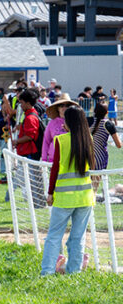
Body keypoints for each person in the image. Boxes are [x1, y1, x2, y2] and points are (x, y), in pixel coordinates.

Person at [42, 107, 95, 275]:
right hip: (85, 197)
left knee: (54, 236)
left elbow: (55, 168)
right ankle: (74, 271)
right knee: (78, 237)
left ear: (69, 122)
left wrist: (50, 192)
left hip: (65, 197)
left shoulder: (61, 140)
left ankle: (47, 272)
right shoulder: (89, 140)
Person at [41, 96, 76, 163]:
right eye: (61, 105)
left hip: (70, 160)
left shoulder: (75, 122)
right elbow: (46, 141)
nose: (64, 108)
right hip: (53, 159)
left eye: (67, 105)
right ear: (57, 108)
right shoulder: (51, 123)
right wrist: (44, 159)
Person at [91, 102, 122, 171]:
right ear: (107, 112)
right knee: (96, 180)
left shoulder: (88, 121)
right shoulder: (108, 124)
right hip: (100, 157)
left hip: (86, 157)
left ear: (94, 111)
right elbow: (119, 145)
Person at [13, 89, 42, 160]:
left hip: (29, 153)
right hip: (28, 152)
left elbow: (29, 136)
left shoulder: (30, 118)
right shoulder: (32, 114)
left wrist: (16, 141)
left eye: (22, 103)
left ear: (28, 103)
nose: (20, 106)